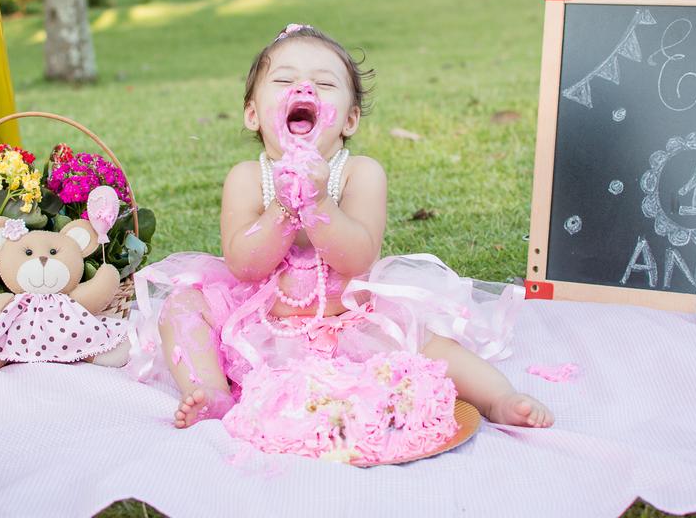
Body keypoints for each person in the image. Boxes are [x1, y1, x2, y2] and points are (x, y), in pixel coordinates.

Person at [128, 24, 553, 430]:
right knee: (182, 308)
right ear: (253, 115)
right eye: (283, 82)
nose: (304, 89)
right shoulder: (246, 177)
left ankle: (498, 396)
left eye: (324, 84)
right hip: (262, 320)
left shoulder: (359, 174)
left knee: (430, 342)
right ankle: (210, 393)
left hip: (352, 320)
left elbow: (357, 257)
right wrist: (283, 206)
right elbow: (243, 265)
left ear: (349, 121)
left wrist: (317, 202)